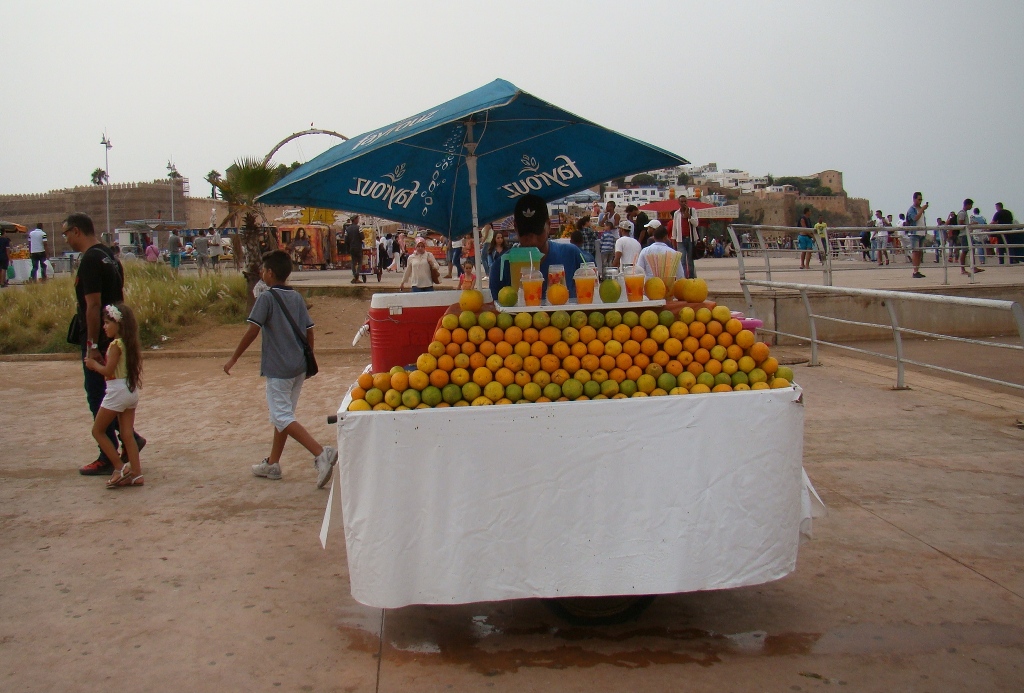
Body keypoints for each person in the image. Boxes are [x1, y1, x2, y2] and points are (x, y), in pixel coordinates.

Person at [223, 250, 337, 488]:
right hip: (298, 367)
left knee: (282, 416)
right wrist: (308, 358)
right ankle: (273, 463)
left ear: (270, 273)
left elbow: (253, 330)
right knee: (284, 416)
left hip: (278, 368)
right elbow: (309, 330)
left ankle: (321, 453)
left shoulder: (266, 298)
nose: (262, 273)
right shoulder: (296, 297)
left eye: (264, 270)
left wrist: (234, 358)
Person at [63, 212, 146, 476]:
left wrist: (91, 344)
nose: (66, 239)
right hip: (114, 335)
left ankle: (107, 454)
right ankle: (130, 438)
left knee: (98, 395)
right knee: (112, 392)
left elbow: (93, 304)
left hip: (99, 340)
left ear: (77, 231)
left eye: (66, 233)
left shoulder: (90, 260)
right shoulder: (110, 257)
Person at [84, 303, 144, 488]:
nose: (104, 327)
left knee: (98, 431)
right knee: (127, 434)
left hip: (116, 391)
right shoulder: (128, 344)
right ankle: (137, 474)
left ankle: (119, 467)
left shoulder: (115, 345)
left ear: (119, 324)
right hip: (130, 389)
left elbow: (108, 371)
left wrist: (94, 365)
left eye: (108, 323)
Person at [490, 193, 587, 301]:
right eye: (525, 233)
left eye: (538, 231)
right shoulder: (500, 268)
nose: (532, 240)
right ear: (516, 228)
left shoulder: (572, 255)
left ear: (549, 225)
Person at [904, 192, 929, 278]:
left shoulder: (920, 209)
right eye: (919, 199)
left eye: (921, 199)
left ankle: (917, 270)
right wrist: (922, 209)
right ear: (914, 199)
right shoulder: (912, 209)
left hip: (921, 233)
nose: (920, 201)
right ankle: (915, 271)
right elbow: (915, 218)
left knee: (919, 253)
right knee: (915, 252)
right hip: (914, 234)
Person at [672, 198, 698, 277]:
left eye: (685, 201)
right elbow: (674, 227)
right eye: (682, 201)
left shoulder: (692, 211)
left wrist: (689, 216)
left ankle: (691, 277)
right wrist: (674, 239)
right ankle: (683, 277)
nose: (683, 203)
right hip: (680, 239)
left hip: (691, 239)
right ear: (679, 202)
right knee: (682, 259)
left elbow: (696, 223)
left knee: (690, 260)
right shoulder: (677, 213)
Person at [343, 216, 363, 284]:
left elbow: (345, 240)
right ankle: (357, 274)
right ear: (355, 220)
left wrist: (349, 246)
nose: (358, 220)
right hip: (358, 247)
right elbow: (362, 237)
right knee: (360, 262)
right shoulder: (359, 228)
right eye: (357, 219)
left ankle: (355, 276)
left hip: (351, 248)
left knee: (353, 262)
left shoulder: (347, 229)